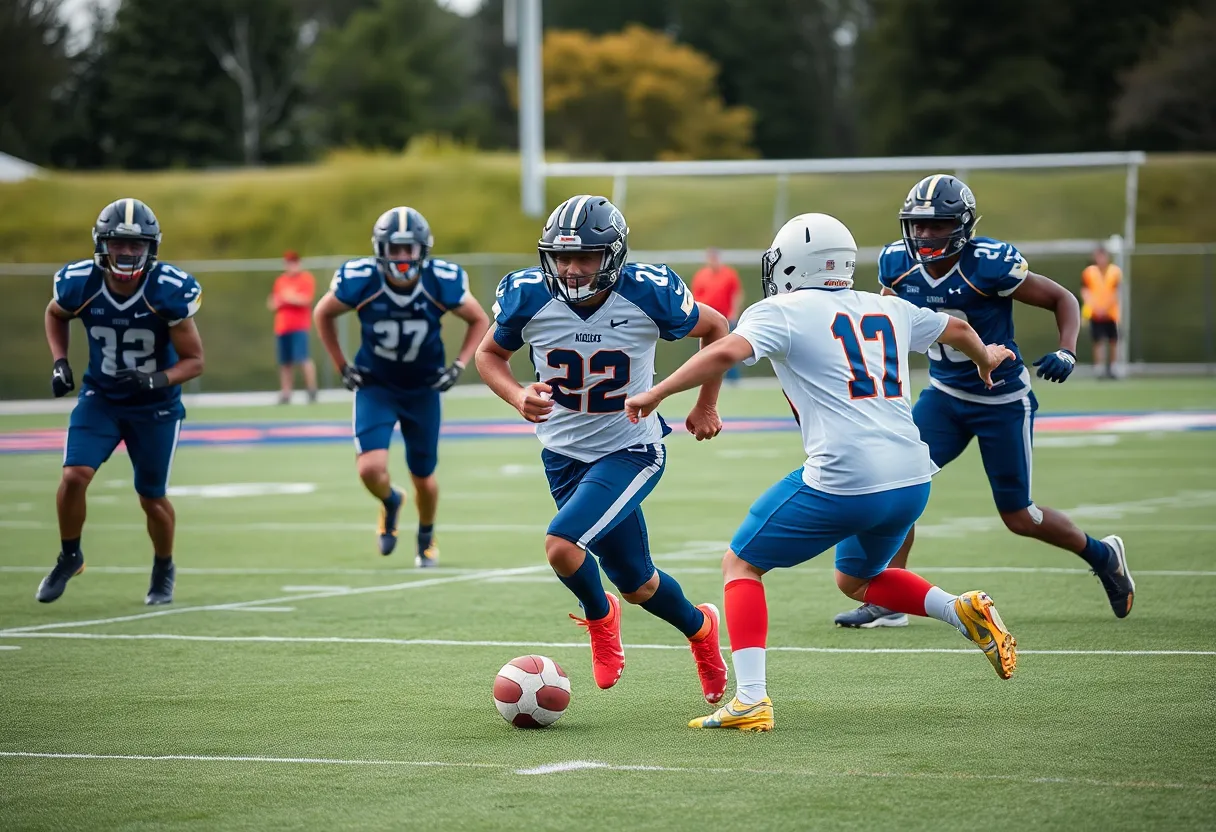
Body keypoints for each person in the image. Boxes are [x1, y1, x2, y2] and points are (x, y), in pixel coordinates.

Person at [624, 213, 1019, 732]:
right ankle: (959, 610)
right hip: (911, 477)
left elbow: (722, 350)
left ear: (791, 264)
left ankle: (750, 699)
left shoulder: (783, 309)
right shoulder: (889, 306)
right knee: (857, 579)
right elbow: (961, 327)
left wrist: (656, 392)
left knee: (740, 565)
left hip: (845, 476)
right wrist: (985, 358)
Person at [833, 175, 1133, 630]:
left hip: (1001, 400)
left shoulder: (990, 265)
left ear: (963, 225)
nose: (925, 235)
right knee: (896, 483)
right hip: (945, 397)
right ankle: (891, 597)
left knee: (1019, 515)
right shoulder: (897, 264)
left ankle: (1103, 554)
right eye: (918, 226)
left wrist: (1067, 349)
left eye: (937, 226)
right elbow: (887, 319)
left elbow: (1061, 298)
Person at [475, 194, 731, 703]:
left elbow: (718, 329)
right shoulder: (528, 295)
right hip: (562, 453)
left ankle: (598, 616)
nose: (571, 269)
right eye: (562, 256)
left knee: (562, 545)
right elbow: (489, 354)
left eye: (585, 257)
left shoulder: (649, 295)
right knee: (638, 584)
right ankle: (701, 629)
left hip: (631, 449)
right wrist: (516, 394)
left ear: (612, 255)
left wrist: (706, 404)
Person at [37, 198, 204, 605]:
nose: (127, 253)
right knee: (74, 475)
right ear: (101, 244)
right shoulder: (81, 283)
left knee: (151, 496)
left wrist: (154, 380)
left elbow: (195, 361)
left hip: (156, 406)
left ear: (152, 249)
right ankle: (70, 555)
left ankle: (163, 566)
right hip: (102, 396)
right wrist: (60, 361)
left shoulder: (166, 291)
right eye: (118, 244)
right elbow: (55, 313)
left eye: (137, 246)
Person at [313, 206, 489, 566]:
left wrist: (458, 365)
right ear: (381, 249)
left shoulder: (441, 280)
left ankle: (426, 535)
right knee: (368, 469)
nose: (403, 257)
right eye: (395, 248)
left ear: (423, 249)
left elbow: (478, 318)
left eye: (409, 248)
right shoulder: (361, 279)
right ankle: (391, 501)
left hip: (422, 388)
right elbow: (323, 313)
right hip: (376, 384)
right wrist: (341, 365)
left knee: (423, 476)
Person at [268, 250, 318, 404]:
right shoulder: (281, 281)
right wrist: (286, 298)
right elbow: (272, 302)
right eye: (288, 263)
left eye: (293, 262)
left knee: (303, 359)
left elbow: (306, 299)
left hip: (299, 326)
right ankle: (286, 393)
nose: (291, 266)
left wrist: (289, 297)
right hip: (282, 327)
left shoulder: (306, 279)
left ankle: (311, 390)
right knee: (285, 362)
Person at [691, 248, 743, 382]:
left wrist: (734, 313)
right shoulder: (701, 275)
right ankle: (706, 377)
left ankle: (732, 379)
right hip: (708, 319)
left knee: (730, 348)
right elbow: (695, 297)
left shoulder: (729, 274)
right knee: (707, 349)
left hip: (726, 317)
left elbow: (736, 295)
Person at [1080, 246, 1122, 379]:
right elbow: (1085, 291)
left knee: (1113, 340)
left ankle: (1114, 368)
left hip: (1111, 312)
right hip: (1095, 312)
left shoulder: (1115, 272)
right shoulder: (1089, 272)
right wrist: (1093, 306)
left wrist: (1106, 307)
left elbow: (1116, 292)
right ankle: (1099, 368)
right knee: (1098, 341)